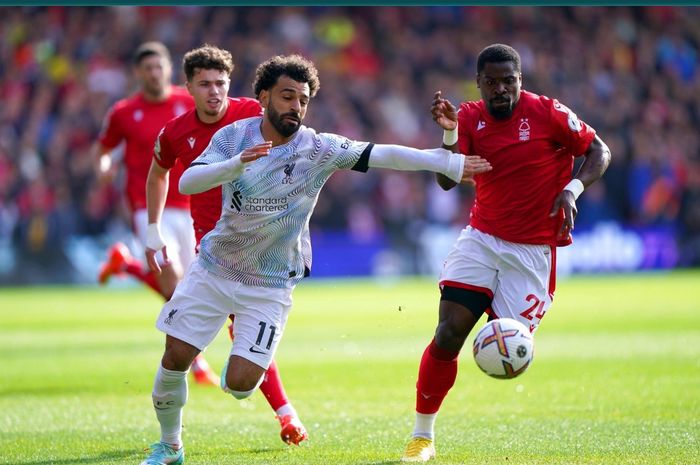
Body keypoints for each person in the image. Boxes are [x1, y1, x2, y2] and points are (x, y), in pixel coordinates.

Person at [138, 54, 491, 465]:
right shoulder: (234, 137)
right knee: (174, 358)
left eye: (303, 100)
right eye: (288, 97)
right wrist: (235, 164)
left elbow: (385, 155)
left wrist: (445, 159)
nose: (296, 107)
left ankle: (244, 371)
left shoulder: (319, 148)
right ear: (265, 96)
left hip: (269, 284)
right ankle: (170, 446)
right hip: (214, 268)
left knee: (239, 386)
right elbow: (186, 180)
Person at [400, 43, 612, 462]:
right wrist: (448, 134)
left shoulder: (548, 113)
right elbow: (446, 182)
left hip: (534, 252)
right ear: (478, 84)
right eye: (492, 82)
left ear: (520, 81)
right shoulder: (467, 118)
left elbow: (599, 151)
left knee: (510, 347)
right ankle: (422, 436)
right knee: (448, 334)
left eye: (509, 81)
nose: (501, 90)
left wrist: (573, 189)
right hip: (482, 239)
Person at [144, 44, 307, 446]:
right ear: (188, 87)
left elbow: (299, 152)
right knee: (184, 349)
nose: (214, 92)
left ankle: (283, 411)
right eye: (204, 84)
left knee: (243, 339)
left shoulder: (255, 113)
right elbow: (158, 174)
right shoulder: (176, 132)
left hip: (259, 246)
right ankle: (280, 414)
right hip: (211, 246)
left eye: (220, 83)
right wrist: (152, 226)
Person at [93, 41, 218, 386]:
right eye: (147, 68)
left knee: (190, 286)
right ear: (139, 73)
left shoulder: (187, 100)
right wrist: (104, 167)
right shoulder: (123, 111)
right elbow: (104, 149)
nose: (154, 73)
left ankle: (127, 266)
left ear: (168, 69)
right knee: (173, 280)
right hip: (150, 207)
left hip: (194, 204)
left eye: (159, 67)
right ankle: (195, 361)